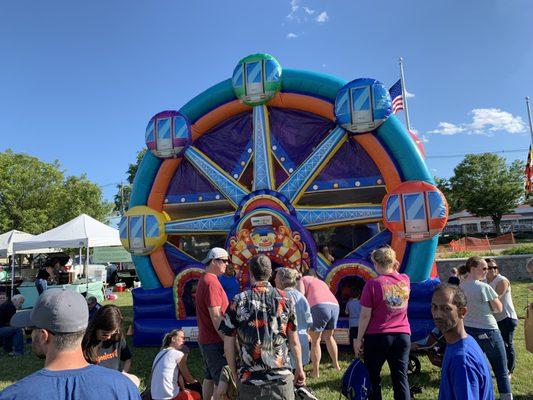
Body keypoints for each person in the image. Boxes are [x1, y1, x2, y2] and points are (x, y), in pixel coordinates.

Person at [0, 288, 140, 399]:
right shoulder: (124, 388)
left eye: (31, 329)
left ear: (43, 336)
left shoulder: (14, 395)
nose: (30, 333)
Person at [219, 254, 306, 400]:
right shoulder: (286, 299)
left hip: (249, 381)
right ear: (270, 273)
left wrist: (234, 374)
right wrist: (300, 369)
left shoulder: (237, 301)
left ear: (250, 274)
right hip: (282, 378)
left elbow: (228, 346)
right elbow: (294, 341)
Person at [354, 246, 411, 400]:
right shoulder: (405, 280)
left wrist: (359, 339)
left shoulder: (373, 284)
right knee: (401, 378)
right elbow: (397, 273)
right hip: (402, 335)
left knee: (373, 377)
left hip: (378, 335)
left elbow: (365, 315)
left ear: (376, 264)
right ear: (394, 263)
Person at [460, 256, 512, 400]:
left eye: (488, 268)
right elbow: (498, 308)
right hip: (489, 330)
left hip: (468, 331)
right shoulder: (484, 287)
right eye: (484, 268)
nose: (487, 271)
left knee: (476, 369)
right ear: (472, 268)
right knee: (501, 371)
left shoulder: (460, 286)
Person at [432, 283, 494, 400]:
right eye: (434, 307)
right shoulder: (464, 341)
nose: (437, 314)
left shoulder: (461, 359)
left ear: (462, 312)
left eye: (446, 308)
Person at [196, 247, 230, 400]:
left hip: (206, 339)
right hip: (214, 341)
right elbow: (216, 316)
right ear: (214, 261)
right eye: (224, 261)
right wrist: (226, 340)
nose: (226, 264)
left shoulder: (206, 279)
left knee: (209, 377)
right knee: (221, 383)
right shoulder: (211, 283)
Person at [82, 304, 139, 386]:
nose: (109, 337)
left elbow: (127, 359)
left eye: (113, 333)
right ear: (95, 327)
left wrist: (124, 373)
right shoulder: (86, 342)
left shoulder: (117, 338)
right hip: (94, 383)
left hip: (114, 381)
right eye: (104, 334)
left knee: (135, 380)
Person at [299, 268, 340, 378]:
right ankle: (336, 365)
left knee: (315, 341)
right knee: (329, 337)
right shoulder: (322, 282)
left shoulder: (303, 279)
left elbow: (301, 296)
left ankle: (315, 372)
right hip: (335, 306)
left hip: (319, 306)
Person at [485, 258, 518, 378]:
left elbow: (496, 299)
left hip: (506, 318)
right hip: (494, 318)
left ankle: (509, 371)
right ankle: (497, 368)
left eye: (494, 267)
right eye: (488, 267)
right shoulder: (484, 281)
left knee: (507, 344)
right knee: (495, 345)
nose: (492, 270)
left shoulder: (502, 281)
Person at [275, 267, 313, 368]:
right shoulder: (302, 297)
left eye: (276, 278)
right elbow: (309, 320)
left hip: (288, 343)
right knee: (300, 371)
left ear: (280, 281)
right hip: (303, 339)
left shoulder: (281, 297)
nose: (274, 280)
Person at [150, 329, 200, 400]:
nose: (184, 340)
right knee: (197, 395)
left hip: (155, 396)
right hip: (170, 396)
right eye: (182, 338)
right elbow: (188, 378)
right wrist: (197, 383)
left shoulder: (160, 353)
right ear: (173, 339)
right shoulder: (178, 354)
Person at [346, 286, 362, 355]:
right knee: (361, 337)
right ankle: (362, 351)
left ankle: (356, 354)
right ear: (359, 295)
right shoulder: (361, 302)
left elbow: (346, 312)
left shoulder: (348, 303)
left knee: (354, 339)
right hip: (361, 323)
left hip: (352, 323)